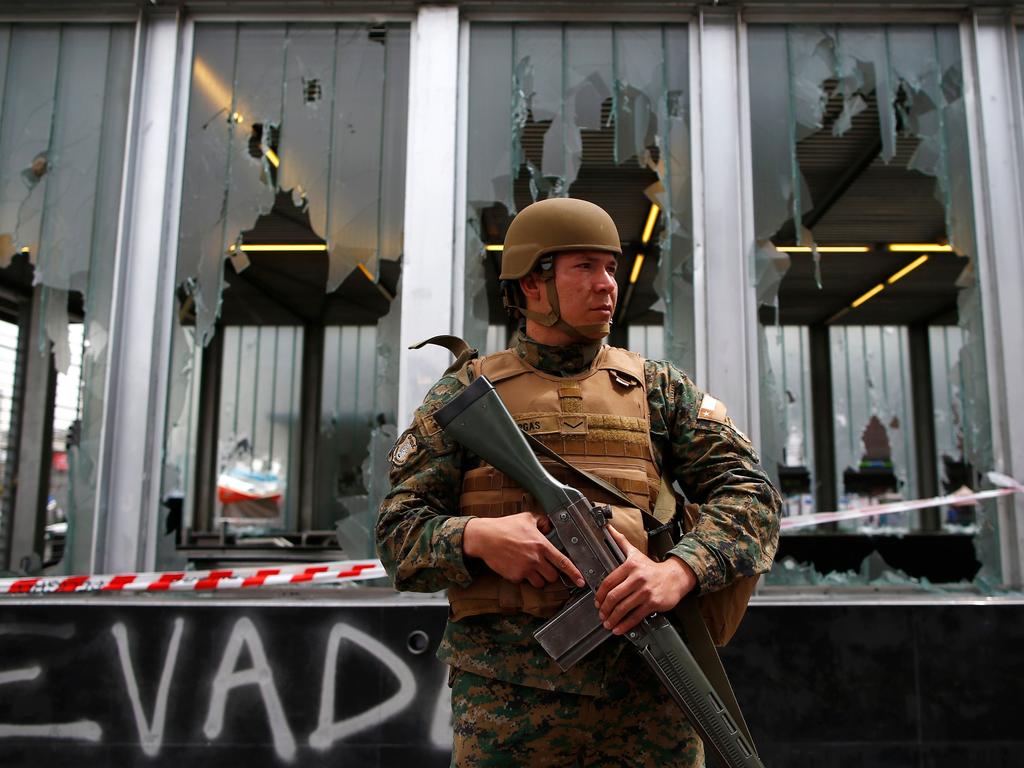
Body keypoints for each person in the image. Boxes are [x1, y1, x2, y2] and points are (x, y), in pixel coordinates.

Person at [376, 197, 781, 767]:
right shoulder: (466, 396)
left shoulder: (659, 389)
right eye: (585, 267)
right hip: (506, 705)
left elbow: (753, 495)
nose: (607, 285)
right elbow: (397, 536)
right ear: (532, 285)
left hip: (650, 694)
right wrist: (480, 538)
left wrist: (677, 570)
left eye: (611, 268)